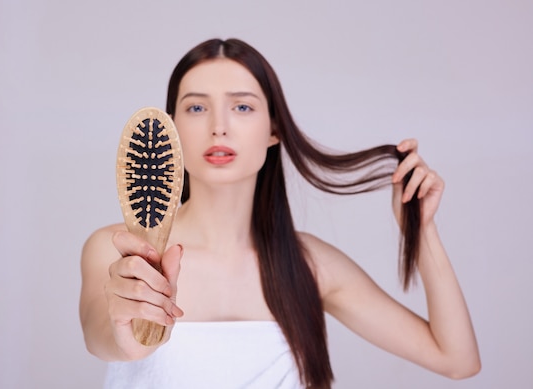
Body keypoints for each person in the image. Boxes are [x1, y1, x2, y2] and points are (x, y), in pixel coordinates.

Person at [79, 38, 481, 389]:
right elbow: (105, 340)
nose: (219, 127)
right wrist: (127, 328)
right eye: (197, 108)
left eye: (242, 106)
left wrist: (423, 230)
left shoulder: (309, 265)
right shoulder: (120, 250)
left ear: (274, 128)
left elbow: (457, 359)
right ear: (172, 130)